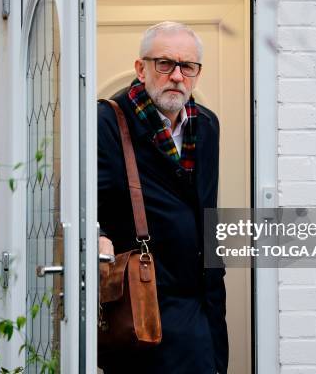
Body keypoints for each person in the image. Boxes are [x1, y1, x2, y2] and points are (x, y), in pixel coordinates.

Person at [97, 21, 228, 373]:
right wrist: (97, 238)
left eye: (188, 66)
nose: (177, 76)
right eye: (165, 64)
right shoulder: (107, 122)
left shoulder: (208, 126)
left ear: (197, 73)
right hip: (140, 315)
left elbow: (207, 219)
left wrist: (217, 336)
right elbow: (80, 206)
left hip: (198, 313)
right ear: (141, 69)